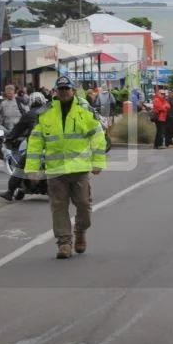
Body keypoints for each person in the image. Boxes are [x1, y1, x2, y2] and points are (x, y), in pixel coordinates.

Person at [25, 76, 108, 259]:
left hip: (79, 169)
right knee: (58, 208)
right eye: (60, 89)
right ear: (55, 91)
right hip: (55, 170)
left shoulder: (84, 109)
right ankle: (64, 243)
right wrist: (32, 168)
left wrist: (98, 162)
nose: (63, 92)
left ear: (73, 91)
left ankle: (80, 231)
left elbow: (97, 135)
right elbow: (36, 142)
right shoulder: (45, 112)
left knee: (84, 206)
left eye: (67, 89)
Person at [0, 92, 50, 201]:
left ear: (31, 102)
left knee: (20, 168)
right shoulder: (50, 112)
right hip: (52, 146)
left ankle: (10, 192)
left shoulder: (29, 114)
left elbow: (17, 129)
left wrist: (9, 138)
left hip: (36, 146)